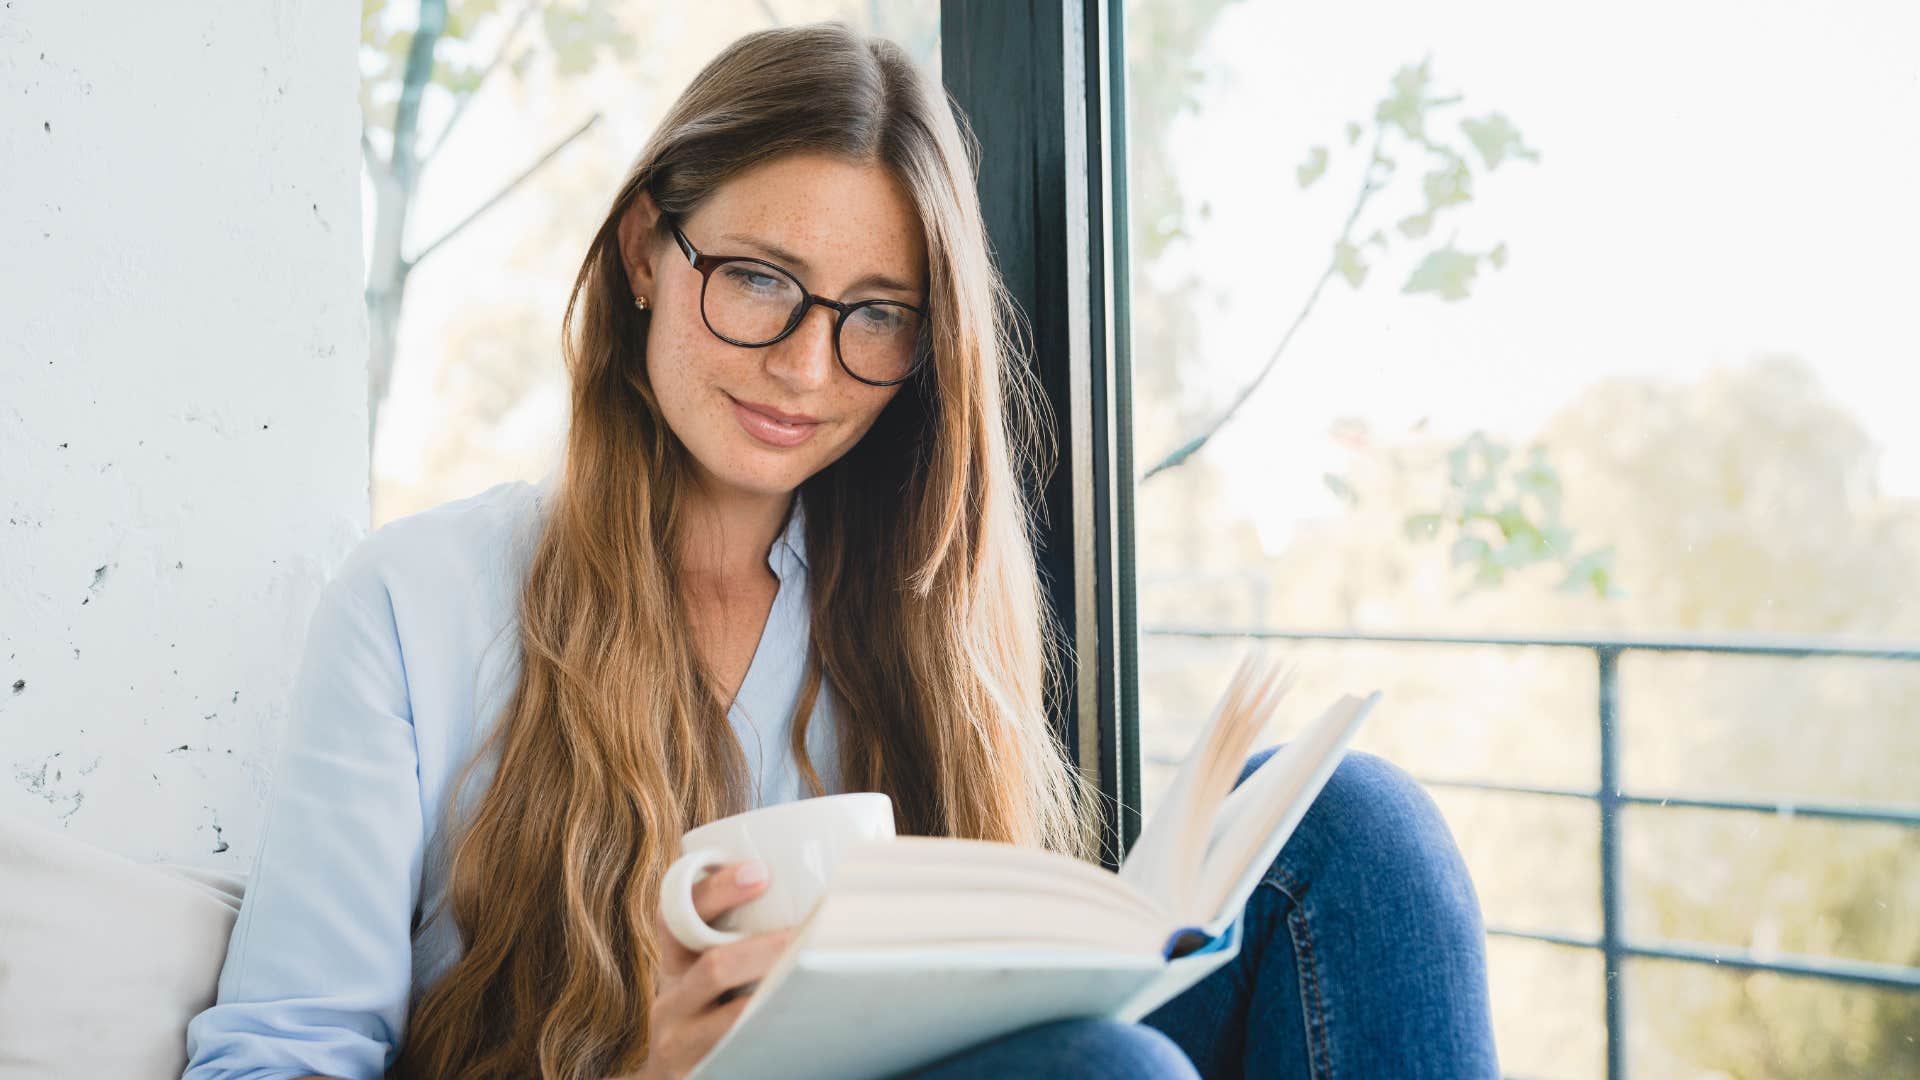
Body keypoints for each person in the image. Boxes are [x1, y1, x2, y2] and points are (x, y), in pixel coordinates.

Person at [181, 20, 1497, 1080]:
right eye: (756, 278)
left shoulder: (918, 606)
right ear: (647, 250)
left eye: (876, 315)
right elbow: (270, 1061)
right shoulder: (419, 602)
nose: (807, 369)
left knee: (1355, 830)